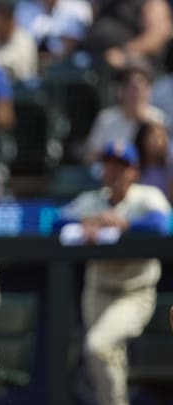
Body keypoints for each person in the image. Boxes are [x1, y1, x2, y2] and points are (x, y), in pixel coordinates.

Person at [55, 140, 171, 405]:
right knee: (105, 357)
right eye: (110, 165)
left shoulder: (146, 196)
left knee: (98, 346)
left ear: (134, 171)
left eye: (122, 166)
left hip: (134, 291)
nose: (115, 172)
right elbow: (57, 221)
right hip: (98, 290)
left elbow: (161, 224)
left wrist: (125, 224)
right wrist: (88, 222)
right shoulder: (92, 200)